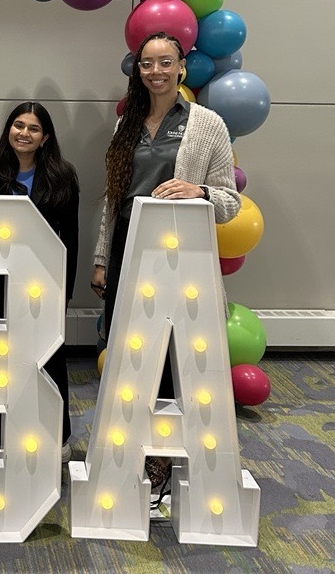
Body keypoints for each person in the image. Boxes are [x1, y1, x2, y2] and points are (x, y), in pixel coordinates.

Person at [90, 31, 240, 496]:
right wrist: (101, 258)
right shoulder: (126, 125)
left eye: (164, 63)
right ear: (138, 71)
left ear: (182, 68)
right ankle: (122, 458)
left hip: (177, 257)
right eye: (146, 64)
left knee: (171, 361)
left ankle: (160, 467)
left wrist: (200, 192)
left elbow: (231, 203)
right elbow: (113, 200)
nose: (155, 72)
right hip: (126, 252)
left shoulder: (207, 124)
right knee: (128, 356)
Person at [0, 102, 79, 463]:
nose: (24, 133)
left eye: (33, 128)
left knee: (50, 362)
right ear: (8, 131)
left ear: (45, 137)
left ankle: (58, 437)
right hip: (0, 290)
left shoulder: (63, 176)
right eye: (18, 126)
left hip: (46, 286)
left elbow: (71, 240)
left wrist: (64, 293)